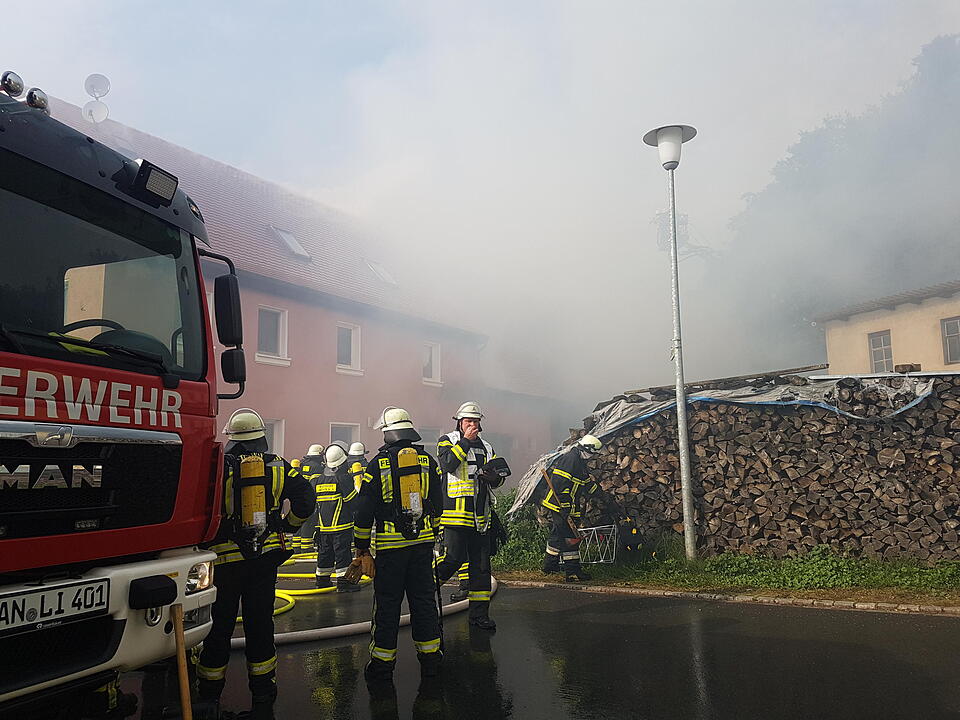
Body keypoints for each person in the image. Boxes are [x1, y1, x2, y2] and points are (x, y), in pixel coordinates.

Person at [196, 409, 316, 720]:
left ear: (233, 439)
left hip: (223, 560)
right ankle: (263, 692)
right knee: (260, 624)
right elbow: (306, 498)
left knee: (218, 627)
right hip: (264, 558)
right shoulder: (278, 465)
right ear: (261, 437)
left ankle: (209, 696)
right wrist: (288, 526)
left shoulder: (218, 466)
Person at [350, 406, 444, 688]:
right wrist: (432, 534)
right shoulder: (429, 461)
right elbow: (438, 505)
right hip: (422, 548)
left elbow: (364, 512)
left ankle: (381, 667)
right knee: (424, 603)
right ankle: (430, 663)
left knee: (388, 607)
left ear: (388, 433)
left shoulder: (376, 464)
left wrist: (361, 548)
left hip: (391, 551)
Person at [434, 402, 505, 630]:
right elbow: (447, 464)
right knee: (453, 559)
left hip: (481, 517)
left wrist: (494, 478)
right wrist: (465, 441)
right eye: (468, 421)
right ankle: (425, 593)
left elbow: (499, 476)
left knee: (482, 568)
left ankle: (479, 616)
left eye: (475, 421)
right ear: (459, 422)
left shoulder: (487, 446)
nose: (472, 425)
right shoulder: (448, 440)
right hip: (455, 516)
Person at [541, 434, 603, 582]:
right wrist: (565, 507)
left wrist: (602, 495)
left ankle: (549, 565)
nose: (592, 457)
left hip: (565, 505)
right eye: (592, 453)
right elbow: (559, 484)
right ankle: (573, 572)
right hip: (559, 505)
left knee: (558, 535)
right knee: (571, 538)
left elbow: (587, 484)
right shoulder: (571, 459)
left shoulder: (579, 461)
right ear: (587, 449)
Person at [315, 443, 361, 591]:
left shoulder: (320, 479)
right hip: (342, 526)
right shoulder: (343, 478)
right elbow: (352, 501)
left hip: (324, 527)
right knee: (342, 554)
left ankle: (322, 579)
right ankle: (344, 583)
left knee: (325, 553)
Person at [294, 444, 325, 552]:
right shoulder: (317, 467)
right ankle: (306, 548)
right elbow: (314, 485)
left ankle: (296, 547)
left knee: (299, 521)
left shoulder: (302, 464)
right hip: (309, 498)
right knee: (309, 522)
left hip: (298, 498)